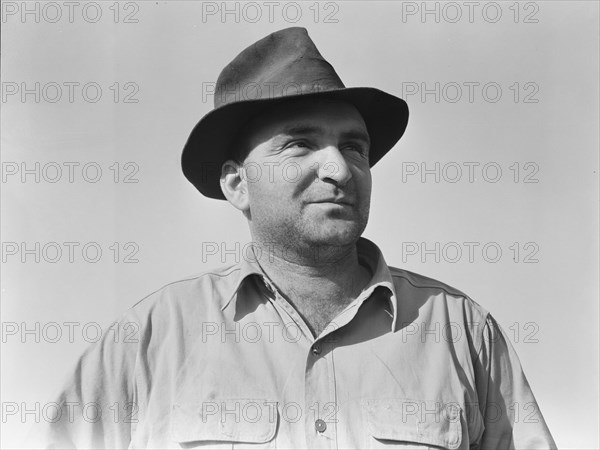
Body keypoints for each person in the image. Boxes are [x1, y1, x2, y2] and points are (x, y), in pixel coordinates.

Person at [40, 27, 556, 449]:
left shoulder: (462, 330)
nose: (339, 167)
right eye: (300, 144)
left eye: (354, 147)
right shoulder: (149, 339)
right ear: (237, 183)